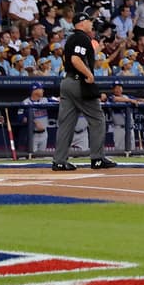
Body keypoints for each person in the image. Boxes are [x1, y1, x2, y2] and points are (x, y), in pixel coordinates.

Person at [52, 13, 115, 171]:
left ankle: (59, 161)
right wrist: (89, 74)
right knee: (97, 119)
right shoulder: (81, 38)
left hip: (67, 81)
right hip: (79, 82)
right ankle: (97, 158)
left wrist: (97, 49)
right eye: (88, 21)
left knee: (66, 124)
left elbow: (74, 58)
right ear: (81, 23)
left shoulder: (71, 39)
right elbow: (75, 59)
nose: (91, 24)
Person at [21, 84, 53, 154]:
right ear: (34, 91)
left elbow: (57, 100)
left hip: (44, 133)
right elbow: (21, 119)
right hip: (32, 134)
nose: (43, 91)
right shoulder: (25, 102)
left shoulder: (45, 99)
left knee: (42, 156)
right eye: (41, 89)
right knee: (32, 156)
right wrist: (34, 121)